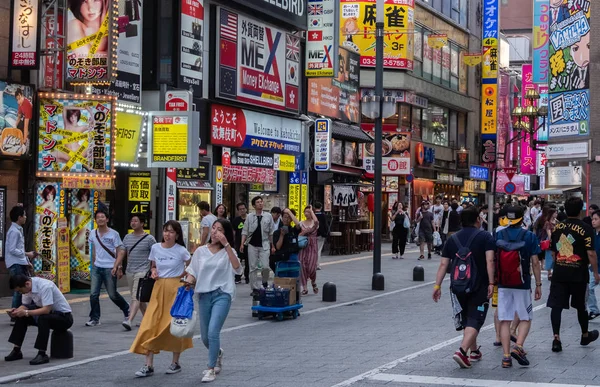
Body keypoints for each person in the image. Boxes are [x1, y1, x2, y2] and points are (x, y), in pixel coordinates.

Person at [432, 207, 495, 369]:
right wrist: (491, 283)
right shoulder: (485, 237)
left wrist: (437, 285)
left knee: (468, 317)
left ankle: (474, 351)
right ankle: (462, 351)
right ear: (477, 220)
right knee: (477, 317)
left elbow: (443, 264)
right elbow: (490, 261)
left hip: (458, 286)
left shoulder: (452, 239)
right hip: (478, 285)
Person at [131, 220, 192, 377]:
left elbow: (192, 267)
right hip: (158, 290)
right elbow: (153, 266)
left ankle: (175, 363)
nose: (167, 234)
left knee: (174, 326)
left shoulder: (181, 250)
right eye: (165, 231)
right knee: (150, 324)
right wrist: (153, 271)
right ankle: (148, 365)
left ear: (177, 235)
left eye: (171, 231)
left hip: (175, 290)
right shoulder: (155, 248)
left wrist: (186, 278)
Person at [184, 219, 242, 383]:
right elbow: (193, 271)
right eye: (214, 229)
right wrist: (188, 281)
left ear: (226, 233)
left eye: (220, 230)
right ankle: (217, 353)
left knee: (213, 331)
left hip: (222, 294)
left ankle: (210, 368)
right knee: (204, 337)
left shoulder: (228, 252)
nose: (215, 232)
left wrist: (227, 245)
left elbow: (238, 269)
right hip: (203, 294)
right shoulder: (201, 251)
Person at [548, 197, 600, 353]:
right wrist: (596, 273)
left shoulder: (557, 227)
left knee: (556, 306)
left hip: (560, 272)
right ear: (580, 211)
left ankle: (556, 338)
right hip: (578, 273)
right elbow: (591, 253)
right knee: (580, 307)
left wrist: (558, 263)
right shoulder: (586, 228)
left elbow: (553, 251)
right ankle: (585, 334)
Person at [495, 206, 542, 368]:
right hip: (522, 283)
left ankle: (506, 357)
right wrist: (538, 284)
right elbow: (535, 262)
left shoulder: (499, 234)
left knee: (505, 319)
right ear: (522, 218)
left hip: (503, 283)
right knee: (526, 317)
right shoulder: (529, 236)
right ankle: (519, 346)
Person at [5, 275, 73, 365]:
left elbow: (46, 310)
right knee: (21, 317)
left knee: (43, 318)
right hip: (48, 313)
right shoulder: (27, 288)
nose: (21, 293)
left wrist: (26, 312)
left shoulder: (45, 286)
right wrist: (18, 311)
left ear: (27, 284)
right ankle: (16, 350)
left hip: (63, 317)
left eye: (21, 291)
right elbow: (25, 304)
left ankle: (42, 353)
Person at [86, 209, 130, 327]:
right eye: (98, 217)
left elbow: (119, 250)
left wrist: (118, 266)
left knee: (112, 294)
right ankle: (95, 318)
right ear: (95, 220)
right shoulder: (92, 233)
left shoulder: (113, 234)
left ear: (107, 219)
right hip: (97, 267)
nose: (100, 219)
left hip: (110, 267)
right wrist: (94, 261)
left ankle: (126, 308)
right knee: (93, 294)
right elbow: (94, 248)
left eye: (102, 217)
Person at [123, 214, 157, 329]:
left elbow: (155, 255)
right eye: (132, 221)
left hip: (143, 271)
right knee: (140, 298)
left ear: (142, 223)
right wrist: (118, 267)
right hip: (130, 271)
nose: (133, 223)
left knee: (135, 296)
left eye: (136, 221)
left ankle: (129, 320)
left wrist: (153, 269)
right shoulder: (127, 237)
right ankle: (149, 320)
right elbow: (126, 253)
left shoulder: (149, 239)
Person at [6, 206, 36, 318]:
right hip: (15, 263)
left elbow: (19, 248)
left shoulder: (18, 229)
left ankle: (19, 313)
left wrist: (26, 261)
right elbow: (12, 249)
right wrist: (28, 254)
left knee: (22, 288)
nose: (26, 217)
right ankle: (15, 315)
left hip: (19, 262)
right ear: (19, 217)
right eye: (24, 215)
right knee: (19, 289)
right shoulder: (14, 231)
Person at [241, 197, 275, 295]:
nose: (260, 203)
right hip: (252, 244)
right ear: (254, 205)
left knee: (265, 267)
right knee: (253, 267)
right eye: (258, 202)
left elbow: (271, 232)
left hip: (264, 244)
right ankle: (255, 288)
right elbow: (245, 231)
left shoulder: (268, 216)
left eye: (261, 202)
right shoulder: (250, 217)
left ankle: (264, 281)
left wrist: (272, 245)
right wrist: (242, 243)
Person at [287, 206, 320, 295]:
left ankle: (313, 281)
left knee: (312, 267)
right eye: (305, 212)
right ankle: (304, 287)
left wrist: (312, 210)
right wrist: (289, 213)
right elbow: (296, 223)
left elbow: (316, 222)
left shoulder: (315, 223)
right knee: (302, 266)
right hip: (303, 245)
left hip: (312, 246)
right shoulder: (302, 223)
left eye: (308, 212)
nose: (306, 213)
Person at [535, 207, 557, 280]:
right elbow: (548, 233)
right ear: (552, 213)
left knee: (556, 256)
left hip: (556, 240)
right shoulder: (547, 222)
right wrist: (552, 239)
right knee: (549, 256)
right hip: (550, 240)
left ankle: (553, 272)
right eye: (555, 213)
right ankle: (549, 273)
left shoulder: (557, 221)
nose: (556, 214)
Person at [231, 203, 249, 284]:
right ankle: (237, 277)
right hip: (238, 244)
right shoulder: (236, 220)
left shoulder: (250, 219)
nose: (242, 210)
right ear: (238, 211)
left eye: (243, 208)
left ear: (246, 209)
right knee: (238, 261)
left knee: (248, 262)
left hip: (249, 243)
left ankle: (247, 277)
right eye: (240, 209)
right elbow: (234, 232)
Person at [588, 210, 600, 320]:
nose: (593, 221)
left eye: (596, 219)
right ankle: (594, 309)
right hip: (594, 266)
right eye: (592, 219)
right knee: (589, 288)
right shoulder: (592, 234)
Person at [314, 202, 328, 270]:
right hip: (321, 235)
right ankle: (317, 265)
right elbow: (325, 225)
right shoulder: (323, 215)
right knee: (318, 250)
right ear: (321, 207)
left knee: (314, 250)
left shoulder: (313, 215)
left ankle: (313, 264)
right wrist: (326, 233)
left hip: (313, 234)